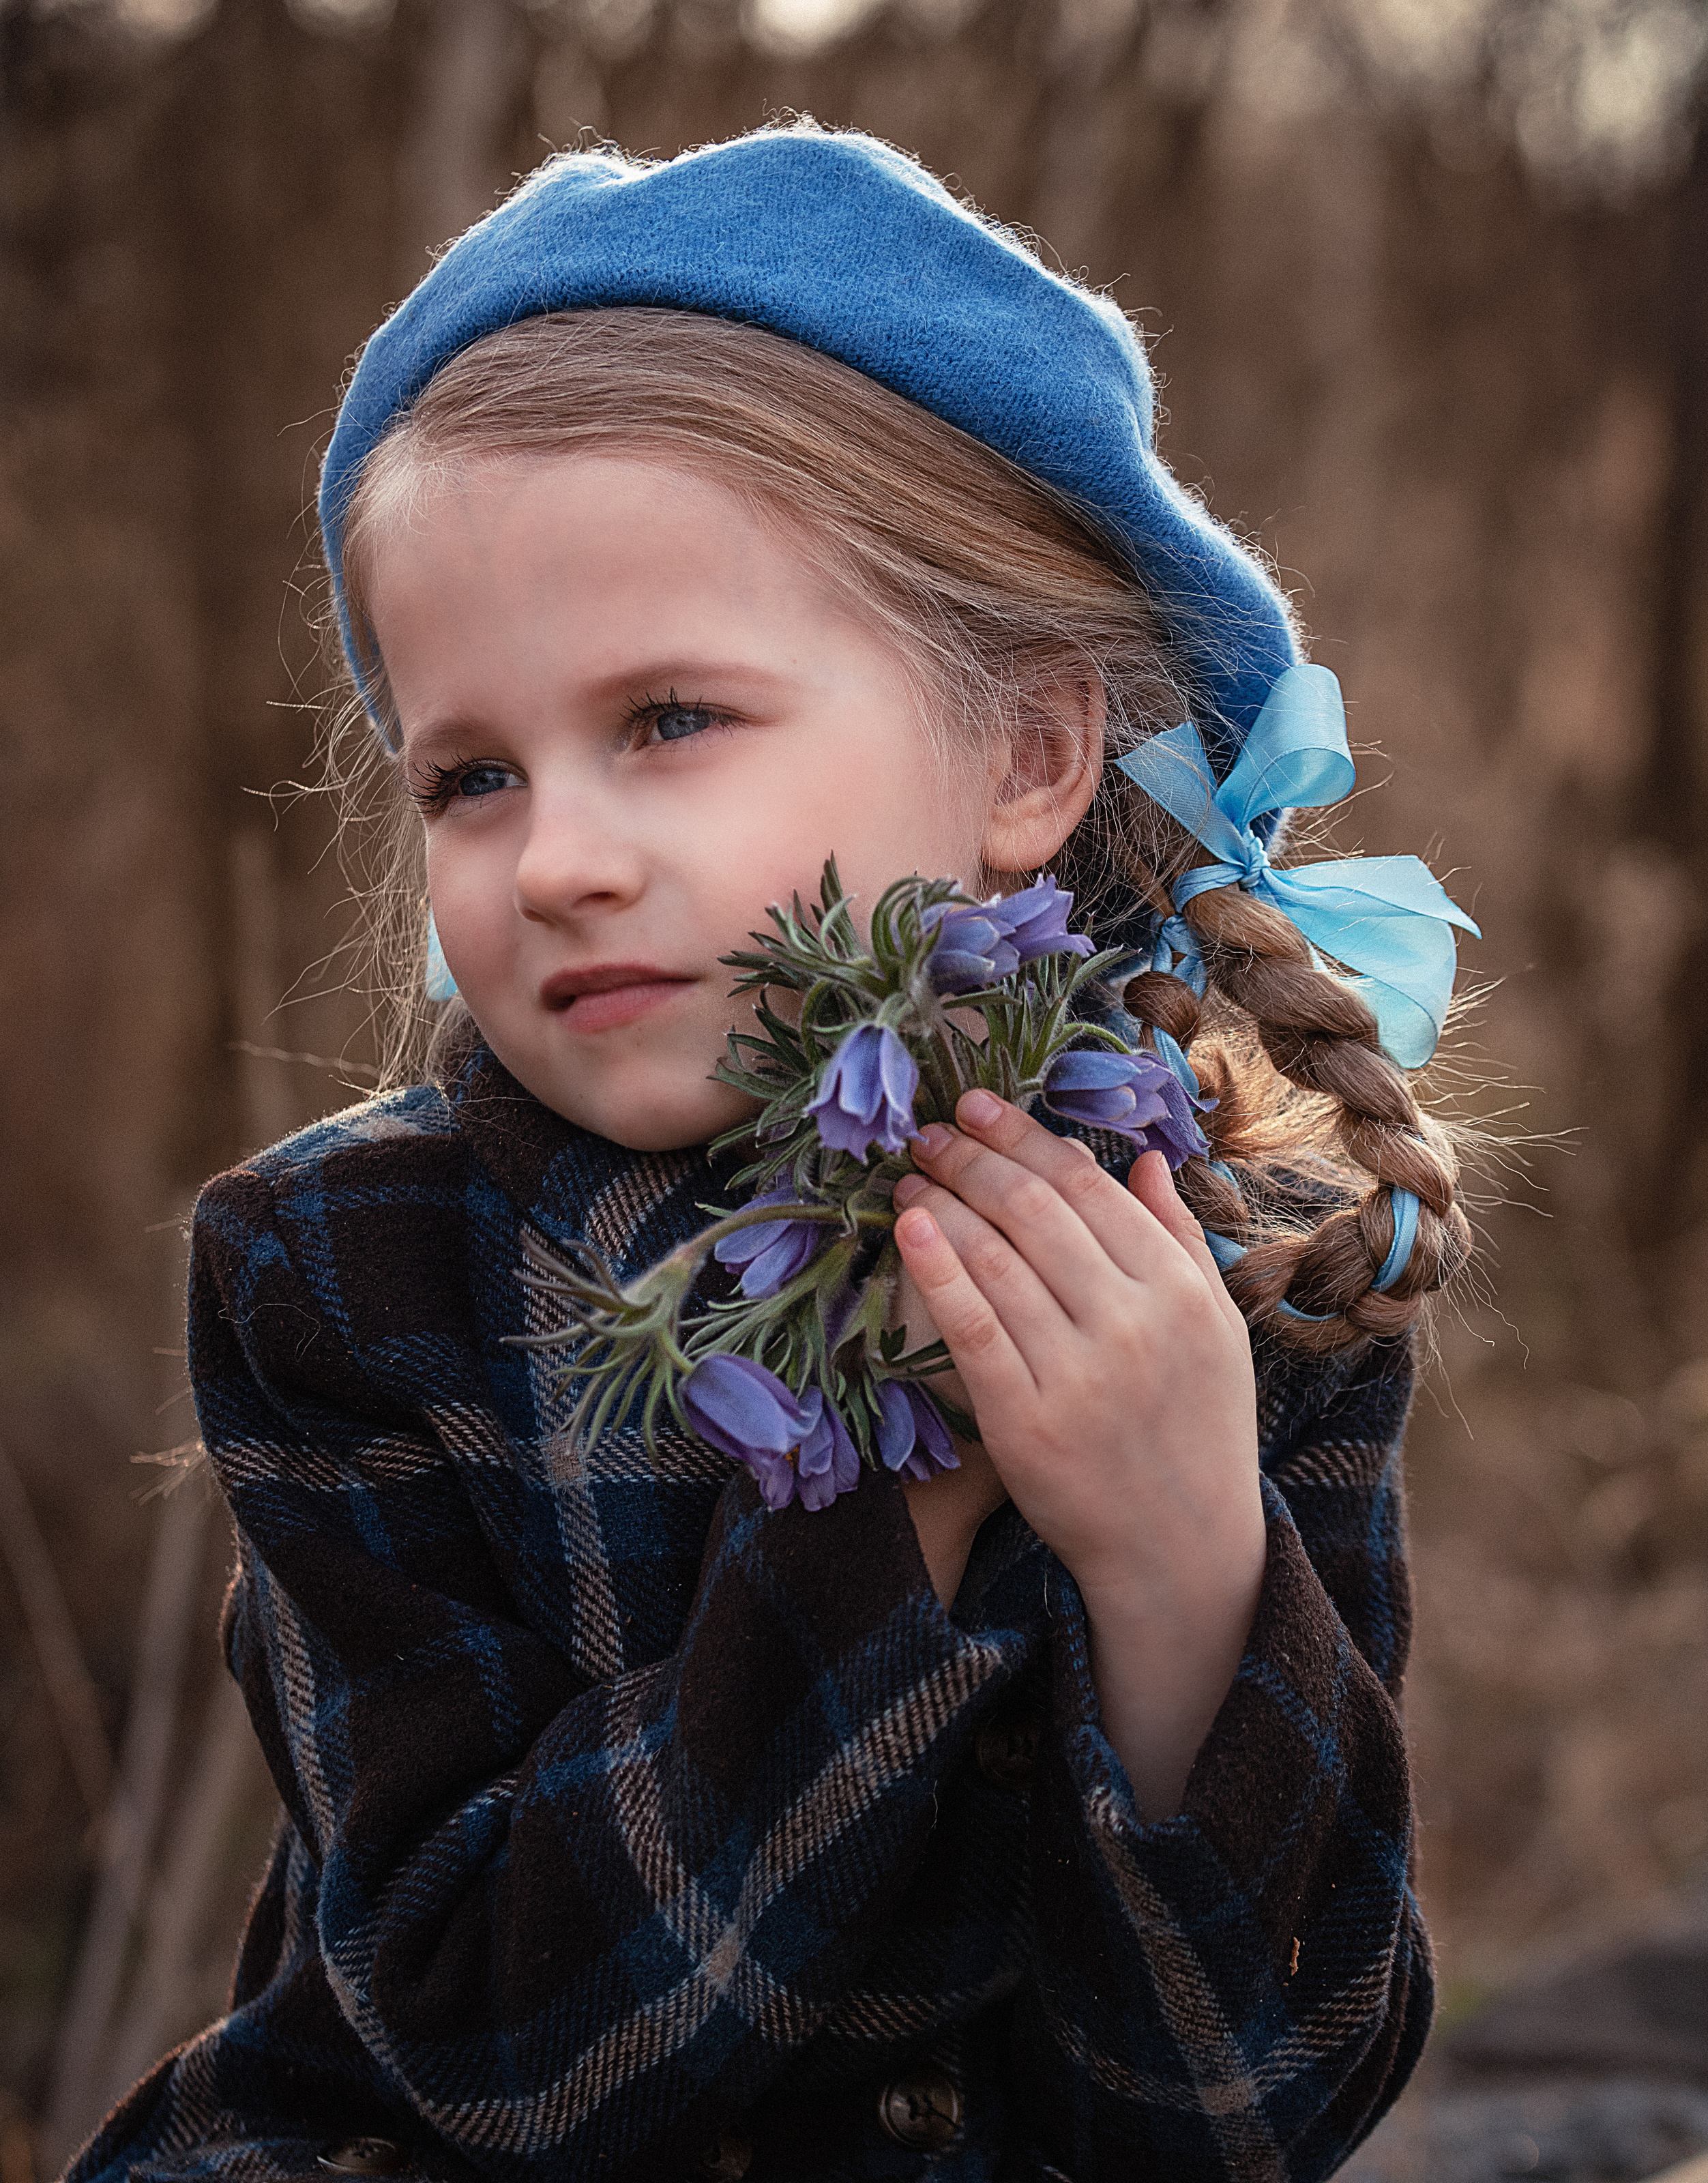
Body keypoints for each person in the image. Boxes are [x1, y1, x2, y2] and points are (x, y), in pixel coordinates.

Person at [69, 126, 1477, 2183]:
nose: (553, 857)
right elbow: (497, 2050)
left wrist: (1184, 1565)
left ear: (1024, 756)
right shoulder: (347, 1272)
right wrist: (891, 1514)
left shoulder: (1240, 1259)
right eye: (471, 772)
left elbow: (1253, 2109)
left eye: (667, 721)